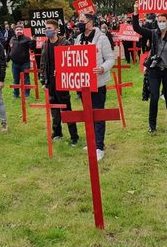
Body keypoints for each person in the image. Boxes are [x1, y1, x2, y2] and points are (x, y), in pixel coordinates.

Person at [132, 3, 167, 133]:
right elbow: (137, 28)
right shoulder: (153, 33)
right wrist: (136, 12)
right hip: (154, 70)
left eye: (163, 21)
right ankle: (152, 125)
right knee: (154, 97)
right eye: (159, 21)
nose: (161, 23)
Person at [75, 13, 115, 161]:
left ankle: (99, 146)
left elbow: (111, 58)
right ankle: (91, 142)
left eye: (82, 21)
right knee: (88, 114)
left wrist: (103, 68)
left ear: (90, 23)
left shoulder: (102, 38)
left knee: (98, 114)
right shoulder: (78, 39)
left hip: (98, 83)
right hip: (84, 83)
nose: (79, 23)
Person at [39, 19, 79, 145]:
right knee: (54, 109)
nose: (47, 30)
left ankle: (74, 136)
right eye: (46, 28)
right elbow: (42, 63)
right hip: (50, 82)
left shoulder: (64, 43)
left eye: (49, 28)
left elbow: (72, 62)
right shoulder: (45, 44)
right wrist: (43, 80)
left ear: (56, 30)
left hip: (62, 81)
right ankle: (57, 133)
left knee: (66, 109)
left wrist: (63, 71)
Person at [9, 24, 35, 99]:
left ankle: (27, 94)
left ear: (23, 30)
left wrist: (33, 40)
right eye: (17, 30)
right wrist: (8, 58)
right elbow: (10, 50)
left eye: (20, 30)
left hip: (25, 63)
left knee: (26, 79)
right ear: (14, 31)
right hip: (15, 64)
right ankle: (16, 94)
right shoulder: (12, 39)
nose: (19, 31)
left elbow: (32, 48)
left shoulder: (27, 39)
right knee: (15, 79)